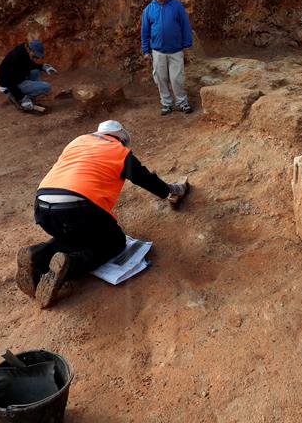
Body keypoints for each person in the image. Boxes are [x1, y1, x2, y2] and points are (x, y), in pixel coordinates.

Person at [16, 120, 188, 308]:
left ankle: (37, 255)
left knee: (77, 236)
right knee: (114, 242)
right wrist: (172, 190)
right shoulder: (120, 152)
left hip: (42, 206)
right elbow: (146, 180)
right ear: (121, 138)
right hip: (78, 207)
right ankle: (69, 266)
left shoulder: (78, 141)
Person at [141, 0, 194, 116]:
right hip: (158, 51)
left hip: (175, 50)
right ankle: (166, 104)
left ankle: (182, 103)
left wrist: (187, 43)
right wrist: (146, 51)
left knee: (177, 78)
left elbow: (185, 25)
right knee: (160, 79)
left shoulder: (176, 5)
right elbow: (145, 31)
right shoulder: (148, 10)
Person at [0, 38, 57, 111]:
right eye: (35, 55)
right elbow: (9, 81)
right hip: (10, 85)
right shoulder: (16, 57)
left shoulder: (24, 50)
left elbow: (28, 64)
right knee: (47, 87)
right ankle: (20, 99)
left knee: (36, 71)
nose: (36, 58)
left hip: (17, 78)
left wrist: (43, 67)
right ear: (30, 50)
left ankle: (28, 96)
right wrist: (22, 98)